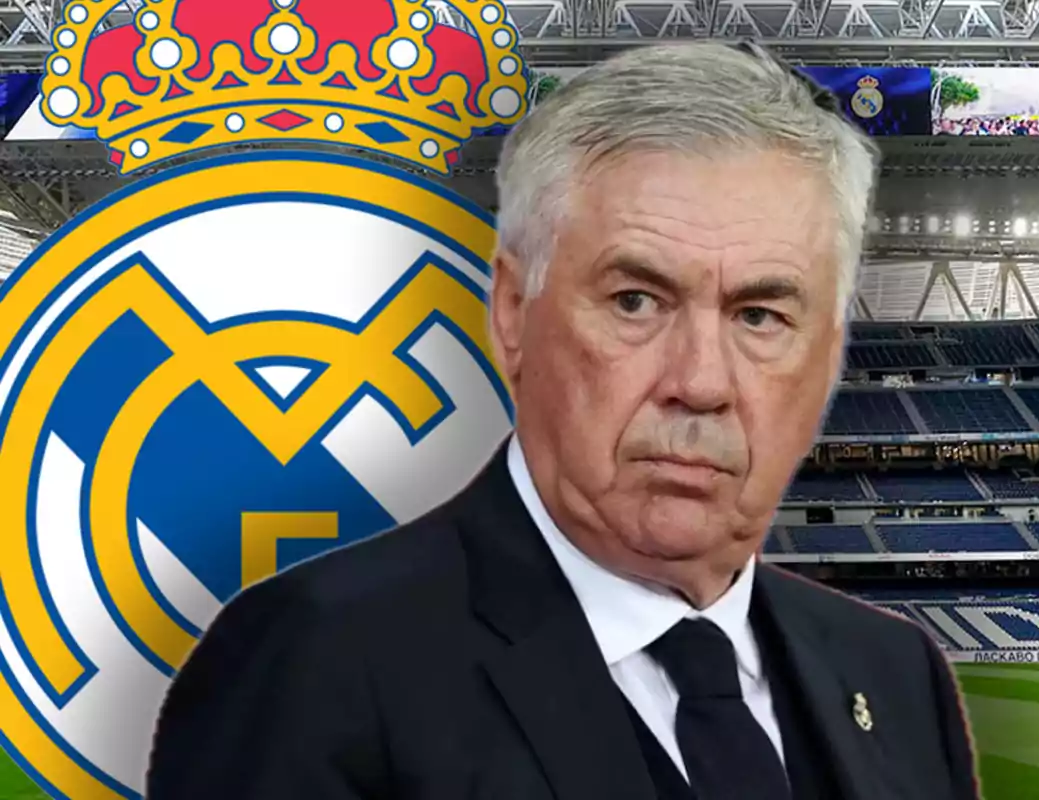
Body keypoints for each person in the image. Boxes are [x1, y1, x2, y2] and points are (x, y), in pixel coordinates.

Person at [147, 42, 980, 800]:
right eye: (635, 300)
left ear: (830, 353)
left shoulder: (896, 673)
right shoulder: (311, 661)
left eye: (760, 316)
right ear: (513, 313)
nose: (700, 382)